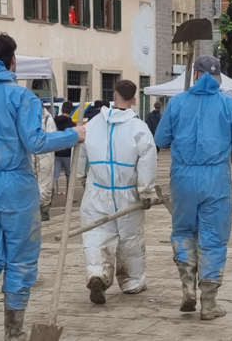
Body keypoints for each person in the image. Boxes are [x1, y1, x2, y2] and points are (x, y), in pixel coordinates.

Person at [0, 33, 85, 341]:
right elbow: (36, 142)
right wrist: (73, 135)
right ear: (12, 60)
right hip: (14, 184)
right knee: (21, 257)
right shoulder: (22, 96)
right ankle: (14, 332)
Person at [155, 55, 232, 320]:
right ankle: (209, 304)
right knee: (213, 239)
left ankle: (187, 286)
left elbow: (161, 139)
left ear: (195, 75)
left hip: (183, 176)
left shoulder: (176, 102)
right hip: (216, 178)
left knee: (183, 232)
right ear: (217, 76)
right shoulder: (229, 104)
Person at [77, 80, 157, 305]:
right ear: (134, 99)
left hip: (96, 191)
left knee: (95, 236)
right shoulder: (139, 128)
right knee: (130, 240)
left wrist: (81, 178)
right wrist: (146, 191)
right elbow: (147, 162)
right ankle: (132, 281)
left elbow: (80, 153)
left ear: (113, 95)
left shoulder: (92, 123)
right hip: (126, 194)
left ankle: (97, 274)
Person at [32, 94, 57, 222]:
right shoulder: (27, 118)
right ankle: (33, 208)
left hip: (45, 154)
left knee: (45, 182)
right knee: (31, 181)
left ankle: (44, 209)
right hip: (31, 153)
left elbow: (51, 137)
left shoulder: (48, 119)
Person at [54, 101, 77, 195]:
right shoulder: (72, 125)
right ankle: (69, 196)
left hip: (55, 151)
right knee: (69, 175)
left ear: (62, 109)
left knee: (54, 175)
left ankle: (51, 194)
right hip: (68, 153)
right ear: (71, 111)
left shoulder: (54, 121)